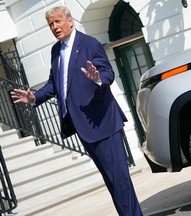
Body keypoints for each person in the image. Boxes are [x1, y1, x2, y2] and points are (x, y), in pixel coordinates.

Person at [11, 6, 143, 216]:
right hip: (83, 127)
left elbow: (107, 73)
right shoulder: (56, 51)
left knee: (120, 180)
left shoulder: (89, 44)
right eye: (51, 24)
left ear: (70, 21)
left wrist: (97, 78)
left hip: (102, 122)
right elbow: (55, 84)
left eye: (58, 21)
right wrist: (34, 97)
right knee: (112, 181)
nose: (55, 27)